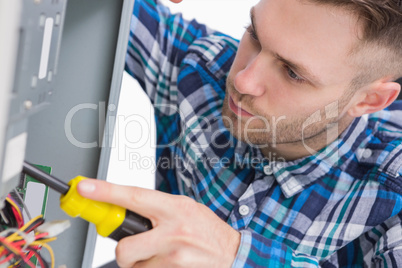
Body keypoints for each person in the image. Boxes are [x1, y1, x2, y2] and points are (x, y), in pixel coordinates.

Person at [78, 0, 402, 266]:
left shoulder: (392, 183)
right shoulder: (205, 68)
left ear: (368, 100)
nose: (243, 81)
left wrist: (234, 255)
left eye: (292, 73)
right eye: (255, 36)